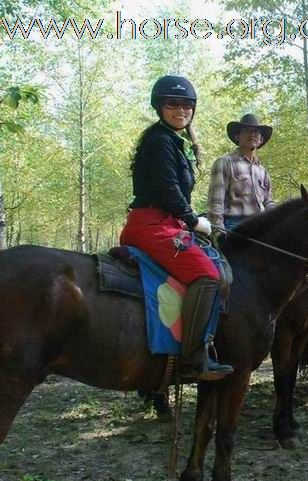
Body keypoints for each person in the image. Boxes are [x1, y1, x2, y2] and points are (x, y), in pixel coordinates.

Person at [120, 75, 233, 381]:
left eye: (186, 105)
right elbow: (169, 189)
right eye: (173, 104)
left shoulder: (172, 140)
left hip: (167, 221)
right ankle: (193, 359)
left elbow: (171, 193)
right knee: (208, 275)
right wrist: (194, 220)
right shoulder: (160, 140)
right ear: (160, 107)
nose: (180, 110)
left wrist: (190, 218)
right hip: (152, 224)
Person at [207, 113, 276, 231]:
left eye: (256, 132)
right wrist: (218, 232)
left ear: (261, 140)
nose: (252, 134)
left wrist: (280, 214)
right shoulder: (224, 163)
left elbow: (268, 201)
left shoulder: (262, 171)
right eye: (246, 130)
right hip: (235, 225)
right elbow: (216, 203)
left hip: (260, 224)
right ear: (237, 136)